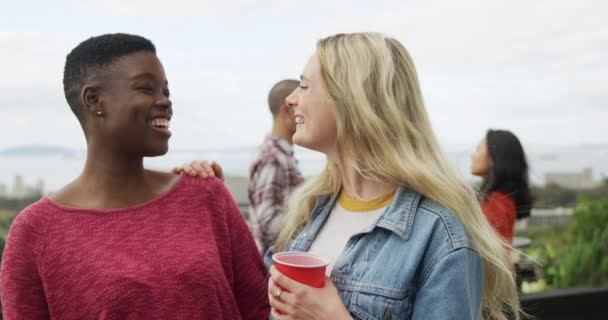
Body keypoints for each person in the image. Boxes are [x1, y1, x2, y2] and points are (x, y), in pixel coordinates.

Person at [183, 32, 521, 320]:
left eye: (303, 86)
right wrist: (199, 198)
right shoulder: (310, 210)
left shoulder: (441, 234)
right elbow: (248, 294)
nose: (290, 100)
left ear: (350, 99)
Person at [0, 33, 269, 319]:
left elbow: (260, 309)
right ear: (94, 100)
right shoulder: (36, 231)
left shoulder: (205, 195)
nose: (164, 101)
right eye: (146, 88)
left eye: (165, 91)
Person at [248, 79, 304, 253]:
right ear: (286, 111)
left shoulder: (278, 154)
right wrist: (309, 215)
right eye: (299, 107)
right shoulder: (273, 157)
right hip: (272, 266)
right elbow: (267, 225)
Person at [471, 129, 532, 244]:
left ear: (493, 157)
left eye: (478, 149)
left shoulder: (496, 203)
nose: (472, 155)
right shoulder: (501, 200)